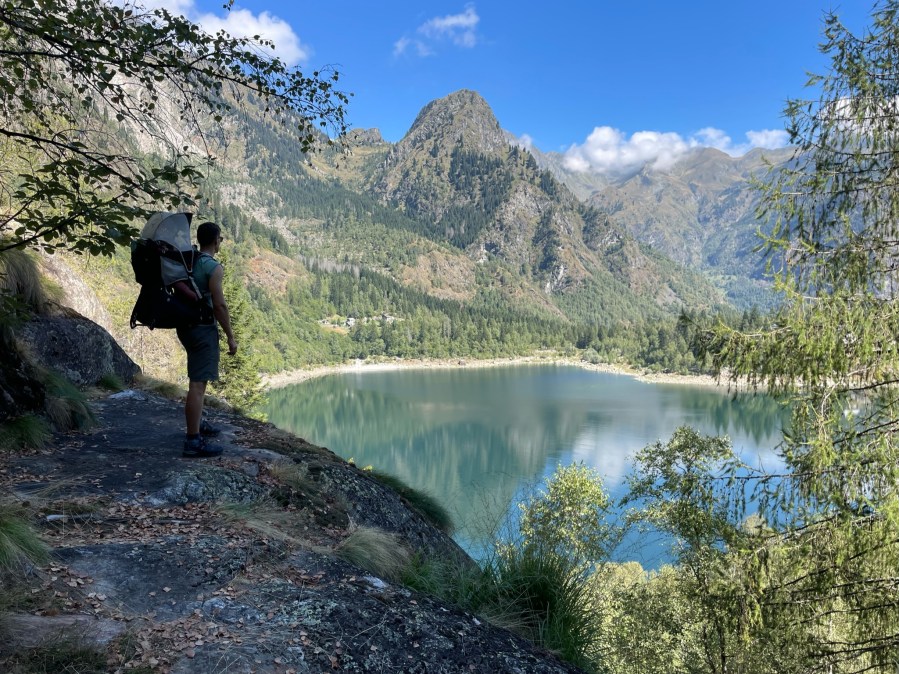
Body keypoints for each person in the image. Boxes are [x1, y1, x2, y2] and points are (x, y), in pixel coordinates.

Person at [177, 221, 238, 457]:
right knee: (198, 384)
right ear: (216, 240)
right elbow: (220, 306)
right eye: (220, 239)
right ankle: (193, 441)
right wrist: (231, 337)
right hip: (202, 328)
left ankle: (198, 423)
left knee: (197, 379)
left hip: (185, 326)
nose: (220, 242)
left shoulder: (188, 261)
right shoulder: (213, 267)